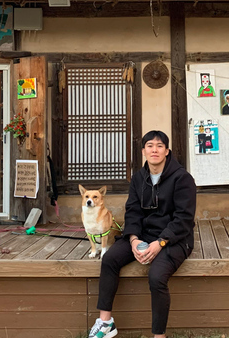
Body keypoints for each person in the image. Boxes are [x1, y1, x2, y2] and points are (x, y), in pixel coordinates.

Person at [90, 130, 197, 338]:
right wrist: (133, 239)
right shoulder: (139, 178)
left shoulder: (182, 178)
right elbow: (133, 211)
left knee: (156, 276)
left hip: (175, 239)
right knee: (110, 259)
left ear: (167, 151)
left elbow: (184, 218)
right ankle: (105, 323)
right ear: (143, 151)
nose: (154, 150)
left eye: (159, 146)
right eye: (150, 146)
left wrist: (161, 242)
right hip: (143, 234)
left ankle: (159, 336)